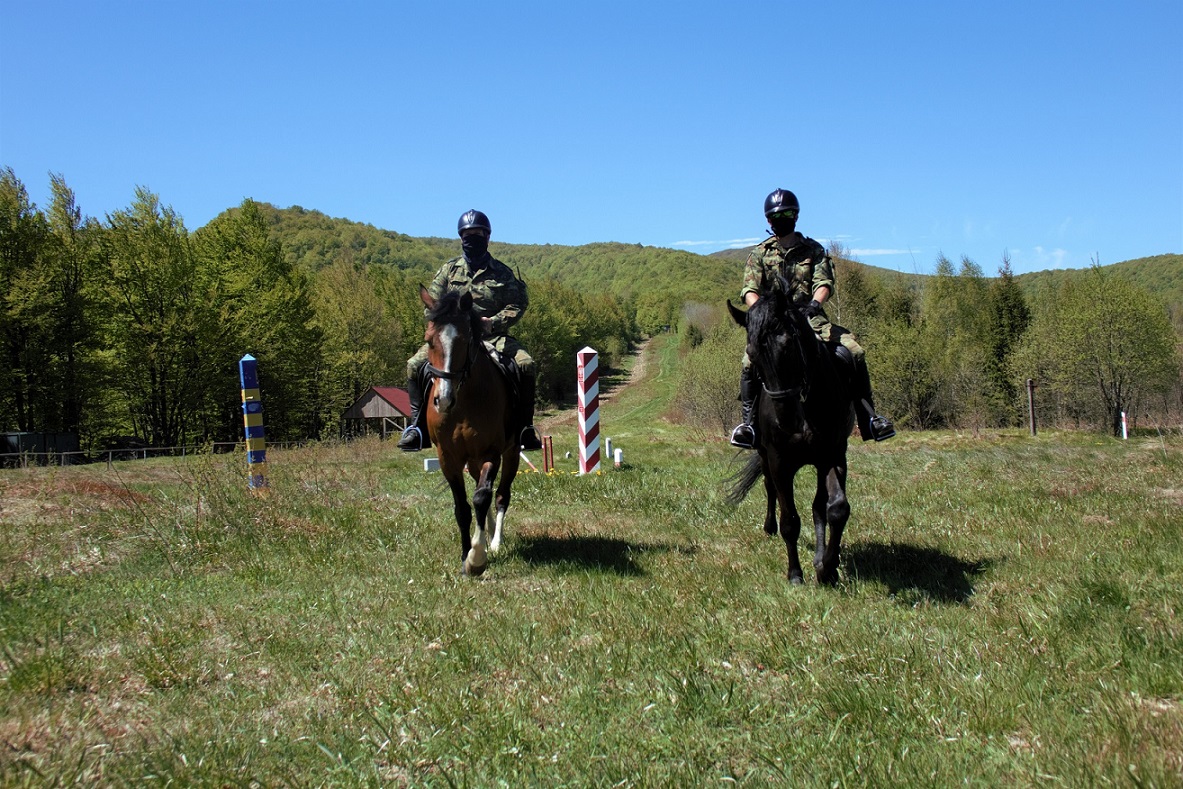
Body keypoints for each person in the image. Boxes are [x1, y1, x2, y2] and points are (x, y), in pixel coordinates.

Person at [729, 188, 895, 447]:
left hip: (811, 319)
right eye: (776, 215)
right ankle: (748, 426)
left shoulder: (813, 250)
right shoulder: (759, 254)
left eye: (787, 213)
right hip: (775, 325)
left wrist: (816, 304)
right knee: (749, 360)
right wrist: (763, 311)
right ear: (768, 220)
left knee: (854, 351)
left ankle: (869, 419)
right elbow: (749, 290)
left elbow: (824, 282)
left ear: (795, 216)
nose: (781, 218)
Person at [398, 209, 543, 452]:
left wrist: (493, 322)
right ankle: (417, 427)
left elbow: (518, 303)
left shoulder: (502, 272)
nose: (471, 239)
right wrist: (446, 321)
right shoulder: (449, 270)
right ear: (460, 238)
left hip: (492, 337)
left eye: (477, 234)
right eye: (467, 235)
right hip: (452, 338)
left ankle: (524, 428)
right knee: (414, 365)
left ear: (487, 237)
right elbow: (431, 305)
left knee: (526, 364)